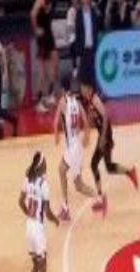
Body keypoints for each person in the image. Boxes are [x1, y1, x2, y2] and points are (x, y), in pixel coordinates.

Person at [80, 80, 138, 208]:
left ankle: (101, 199)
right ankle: (130, 172)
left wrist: (102, 137)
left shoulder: (95, 99)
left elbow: (106, 115)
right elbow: (94, 120)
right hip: (105, 135)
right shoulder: (90, 102)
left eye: (83, 88)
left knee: (93, 165)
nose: (81, 91)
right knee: (109, 167)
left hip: (105, 136)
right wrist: (88, 131)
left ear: (89, 88)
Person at [53, 77, 105, 221]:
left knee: (61, 170)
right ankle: (99, 199)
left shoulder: (63, 101)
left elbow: (55, 122)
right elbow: (86, 122)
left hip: (71, 146)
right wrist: (86, 137)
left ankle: (65, 208)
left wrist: (56, 136)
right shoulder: (77, 102)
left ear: (62, 89)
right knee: (78, 184)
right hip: (77, 145)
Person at [18, 151, 59, 272]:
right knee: (43, 268)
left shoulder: (27, 179)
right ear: (41, 165)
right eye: (45, 163)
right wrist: (55, 220)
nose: (46, 165)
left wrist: (30, 214)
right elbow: (47, 212)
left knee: (35, 267)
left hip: (28, 226)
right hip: (37, 230)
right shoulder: (44, 184)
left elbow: (20, 202)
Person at [31, 0, 59, 113]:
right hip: (42, 38)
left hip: (49, 35)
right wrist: (36, 29)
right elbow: (32, 14)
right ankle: (38, 102)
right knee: (42, 72)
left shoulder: (50, 2)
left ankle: (50, 95)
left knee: (54, 66)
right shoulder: (40, 2)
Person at [75, 0, 99, 86]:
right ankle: (84, 91)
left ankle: (93, 90)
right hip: (83, 48)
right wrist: (78, 52)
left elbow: (97, 28)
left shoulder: (94, 12)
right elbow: (77, 33)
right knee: (83, 75)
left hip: (92, 47)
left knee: (93, 74)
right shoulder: (79, 13)